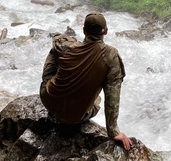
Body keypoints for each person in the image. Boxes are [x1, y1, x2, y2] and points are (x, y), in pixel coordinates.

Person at [40, 12, 132, 150]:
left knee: (55, 52)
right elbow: (112, 96)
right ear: (106, 31)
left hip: (48, 101)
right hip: (76, 117)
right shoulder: (111, 56)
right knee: (97, 101)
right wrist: (113, 131)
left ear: (84, 30)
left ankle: (57, 92)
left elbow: (57, 39)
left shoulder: (68, 47)